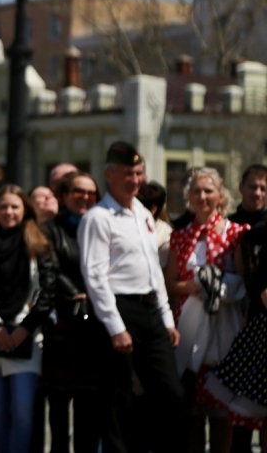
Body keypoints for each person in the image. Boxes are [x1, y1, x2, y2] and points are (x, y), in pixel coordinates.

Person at [78, 141, 184, 453]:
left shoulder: (143, 214)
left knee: (171, 394)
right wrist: (115, 327)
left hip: (150, 310)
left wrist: (166, 318)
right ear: (109, 174)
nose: (135, 179)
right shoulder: (98, 218)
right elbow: (95, 276)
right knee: (118, 399)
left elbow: (154, 271)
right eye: (128, 173)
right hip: (120, 310)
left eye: (139, 172)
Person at [163, 168, 255, 453]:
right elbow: (168, 282)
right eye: (196, 191)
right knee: (190, 410)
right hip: (188, 327)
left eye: (208, 190)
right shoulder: (179, 236)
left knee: (222, 411)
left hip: (225, 326)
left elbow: (245, 280)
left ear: (220, 195)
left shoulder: (237, 233)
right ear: (188, 197)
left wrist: (218, 286)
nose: (202, 197)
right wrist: (192, 287)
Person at [0, 185, 56, 453]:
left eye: (14, 206)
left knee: (22, 412)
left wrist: (23, 328)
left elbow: (47, 290)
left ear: (25, 210)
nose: (8, 212)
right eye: (3, 206)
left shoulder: (36, 242)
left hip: (26, 340)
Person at [40, 172, 103, 453]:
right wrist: (76, 293)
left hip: (95, 328)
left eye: (91, 193)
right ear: (64, 196)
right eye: (78, 191)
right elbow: (50, 268)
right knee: (59, 409)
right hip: (62, 326)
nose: (85, 197)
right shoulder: (50, 229)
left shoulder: (104, 226)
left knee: (89, 411)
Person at [220, 164, 267, 453]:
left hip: (260, 321)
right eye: (253, 186)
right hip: (235, 319)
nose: (258, 193)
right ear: (241, 187)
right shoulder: (229, 225)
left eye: (264, 188)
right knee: (241, 408)